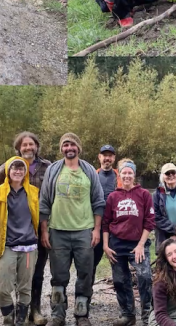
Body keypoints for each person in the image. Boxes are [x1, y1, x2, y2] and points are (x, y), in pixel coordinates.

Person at [0, 131, 53, 325]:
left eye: (32, 144)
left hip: (37, 230)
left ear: (37, 146)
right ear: (18, 148)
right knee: (6, 279)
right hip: (8, 236)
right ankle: (10, 313)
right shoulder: (8, 168)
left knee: (34, 274)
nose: (28, 148)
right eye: (24, 145)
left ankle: (33, 311)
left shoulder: (48, 167)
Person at [39, 133, 106, 326]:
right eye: (66, 144)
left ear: (79, 148)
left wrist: (96, 230)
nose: (70, 148)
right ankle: (58, 315)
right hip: (57, 231)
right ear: (61, 148)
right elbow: (44, 203)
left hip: (84, 230)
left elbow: (98, 202)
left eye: (73, 144)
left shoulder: (89, 171)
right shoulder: (53, 170)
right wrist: (44, 231)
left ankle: (81, 314)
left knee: (85, 274)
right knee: (58, 275)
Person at [101, 159, 155, 326]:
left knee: (145, 277)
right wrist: (105, 245)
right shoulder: (113, 196)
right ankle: (128, 314)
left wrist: (140, 245)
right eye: (124, 172)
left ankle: (148, 315)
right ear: (119, 174)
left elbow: (149, 221)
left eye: (130, 172)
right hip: (117, 244)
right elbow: (106, 223)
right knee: (120, 280)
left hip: (138, 244)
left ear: (134, 174)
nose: (127, 175)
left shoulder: (144, 194)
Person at [0, 156, 40, 326]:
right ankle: (8, 314)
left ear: (25, 172)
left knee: (25, 286)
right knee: (3, 285)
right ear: (8, 171)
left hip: (29, 246)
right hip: (7, 245)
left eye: (21, 168)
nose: (17, 171)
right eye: (14, 168)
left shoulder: (33, 191)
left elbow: (38, 216)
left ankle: (20, 319)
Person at [93, 144, 120, 280]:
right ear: (99, 157)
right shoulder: (93, 175)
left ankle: (123, 299)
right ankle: (85, 296)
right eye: (104, 155)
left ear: (113, 158)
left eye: (110, 156)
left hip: (115, 227)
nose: (107, 158)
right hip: (95, 226)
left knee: (118, 264)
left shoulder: (120, 176)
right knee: (91, 263)